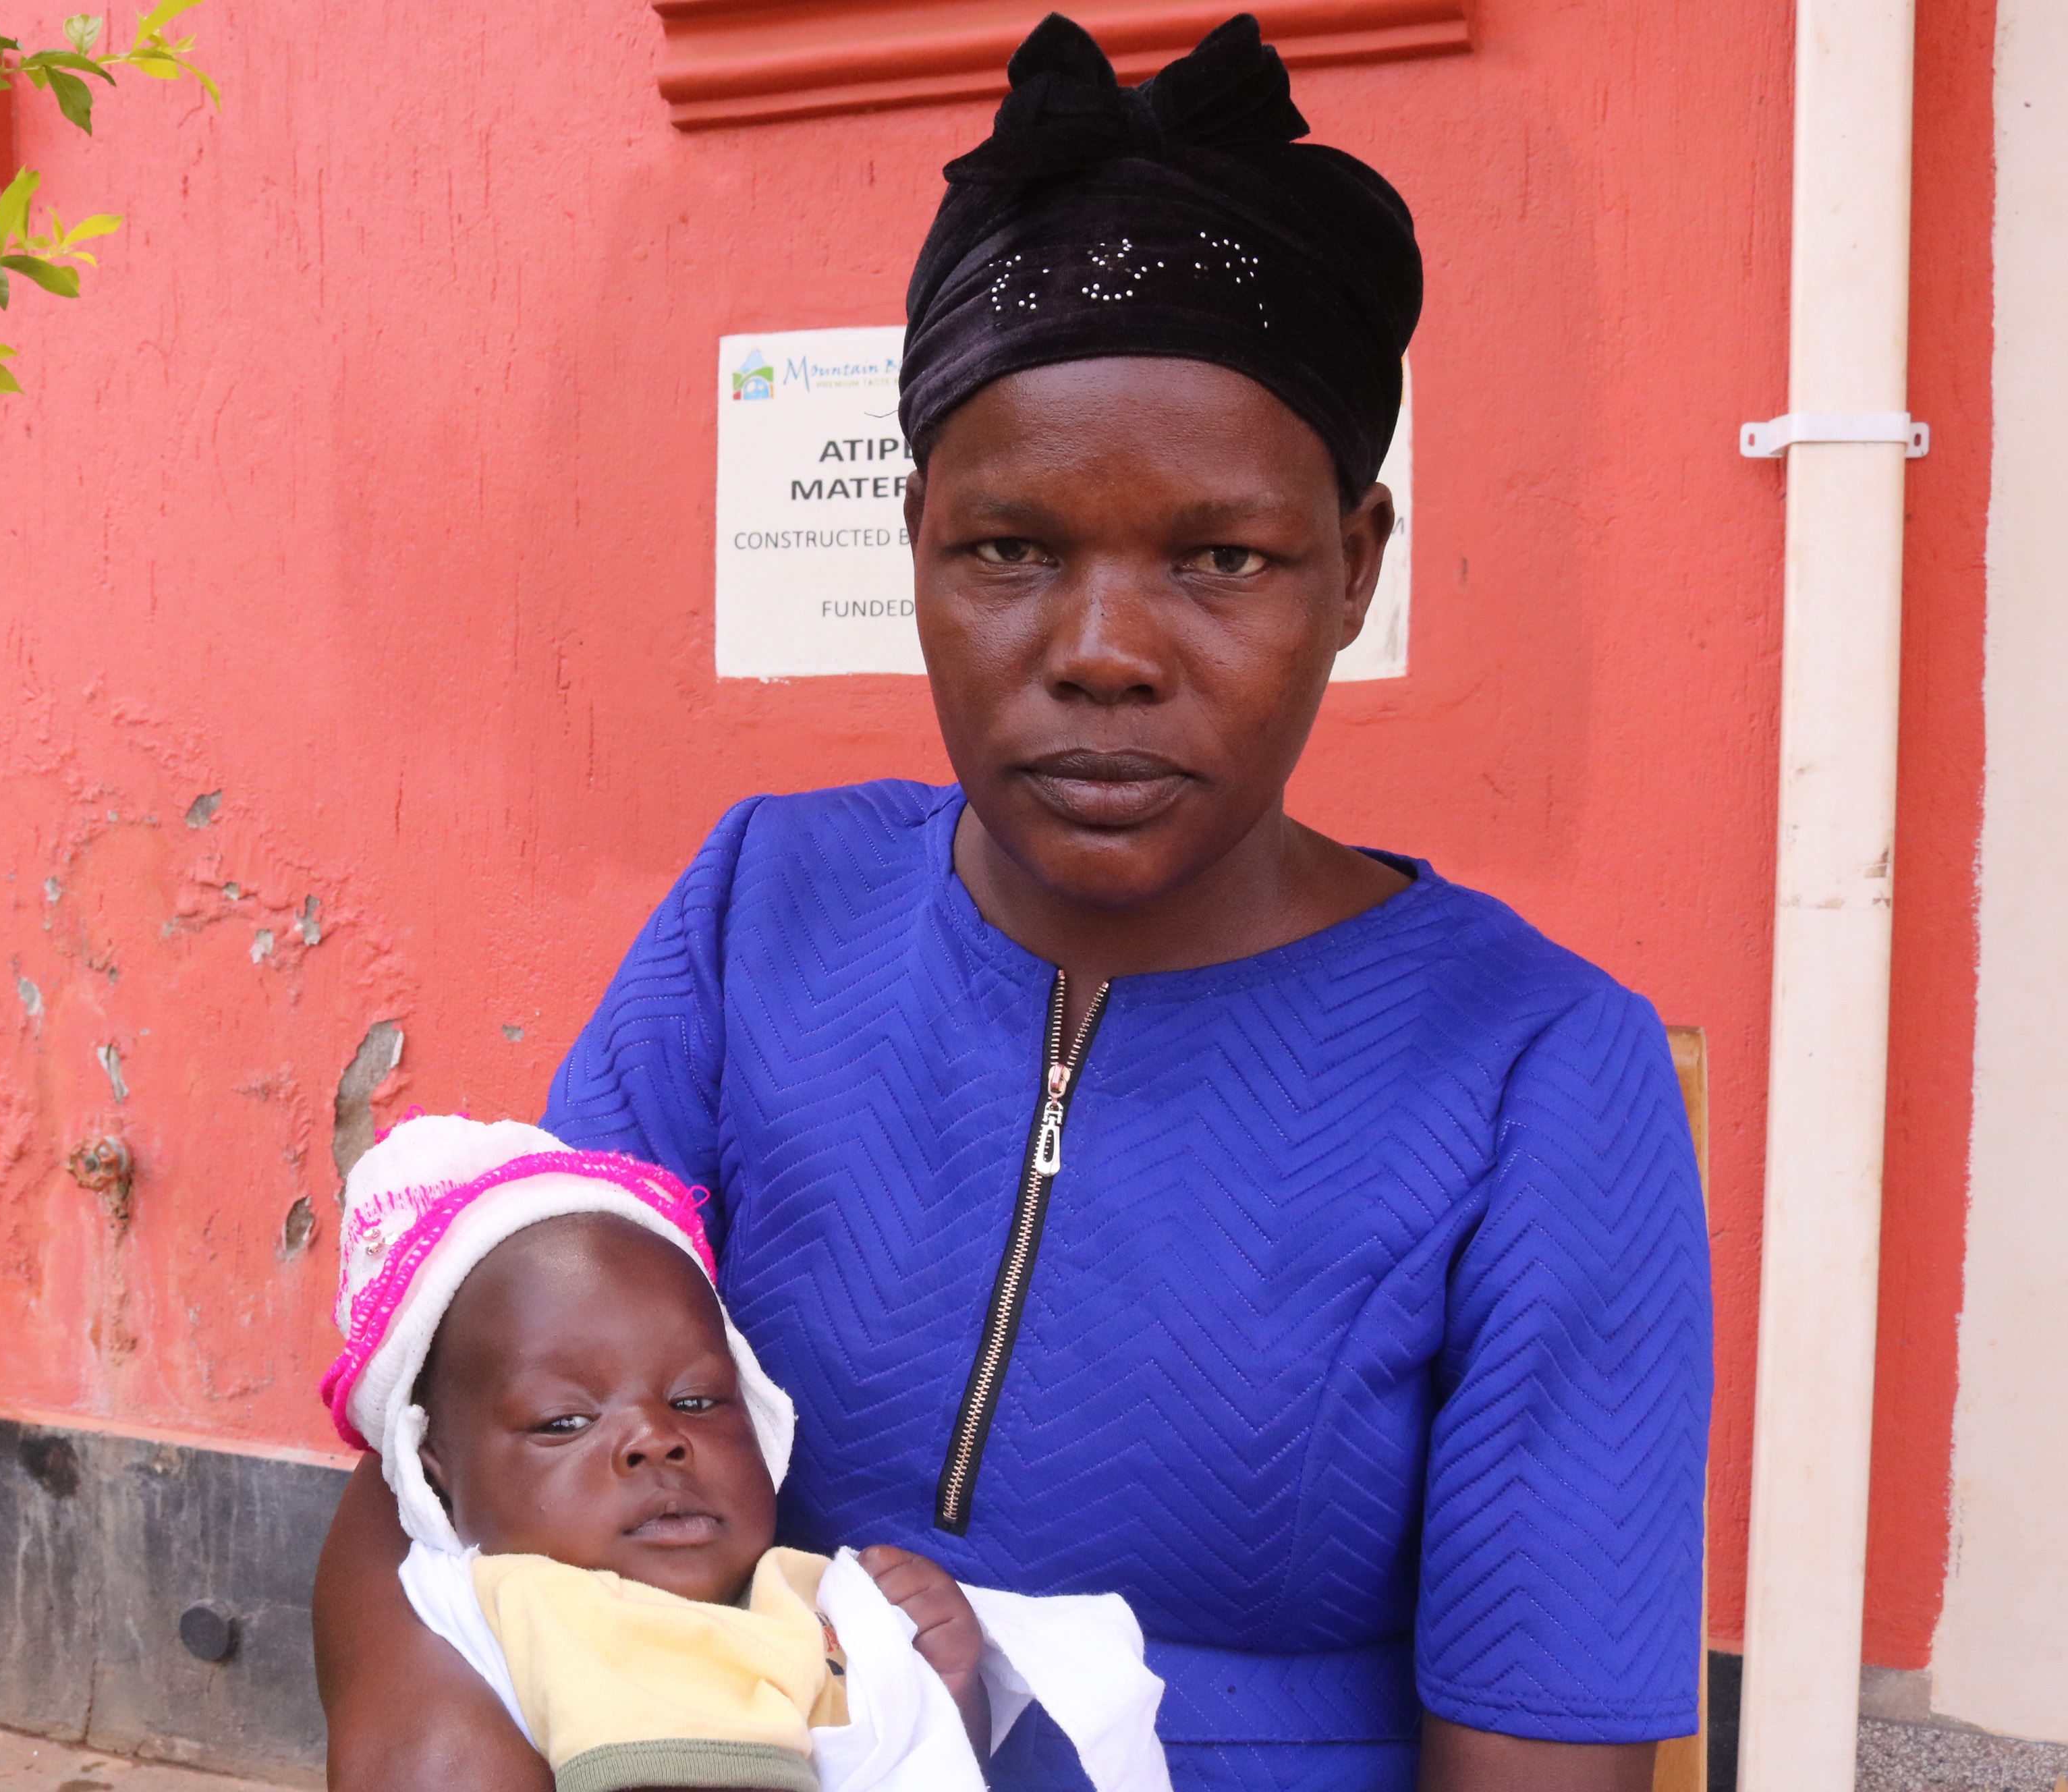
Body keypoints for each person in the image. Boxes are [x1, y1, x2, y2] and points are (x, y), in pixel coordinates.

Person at [314, 14, 1711, 1792]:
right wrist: (421, 1714)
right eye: (1012, 549)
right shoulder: (765, 915)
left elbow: (1547, 1748)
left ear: (1354, 564)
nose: (1104, 652)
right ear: (916, 541)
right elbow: (455, 1430)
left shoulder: (1533, 1078)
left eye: (1222, 557)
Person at [319, 1116, 1172, 1792]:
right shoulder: (541, 1616)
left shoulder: (802, 1606)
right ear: (433, 1466)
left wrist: (933, 1699)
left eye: (697, 1401)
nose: (657, 1437)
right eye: (563, 1422)